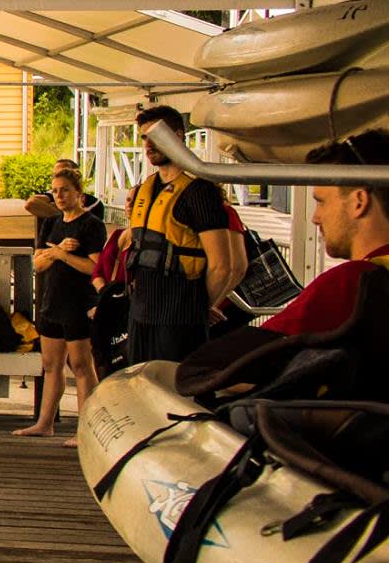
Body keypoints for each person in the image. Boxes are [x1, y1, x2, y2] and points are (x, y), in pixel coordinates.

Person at [224, 131, 389, 563]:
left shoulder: (354, 282)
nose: (314, 216)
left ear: (359, 199)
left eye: (320, 201)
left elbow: (245, 358)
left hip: (363, 516)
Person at [123, 105, 244, 363]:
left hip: (179, 322)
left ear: (177, 136)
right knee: (139, 385)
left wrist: (198, 306)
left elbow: (223, 266)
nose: (148, 145)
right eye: (144, 137)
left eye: (154, 136)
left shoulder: (199, 192)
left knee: (173, 387)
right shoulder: (145, 189)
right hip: (140, 315)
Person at [14, 167, 105, 443]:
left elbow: (94, 267)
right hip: (52, 300)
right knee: (51, 364)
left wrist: (62, 255)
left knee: (81, 365)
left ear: (79, 193)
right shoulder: (52, 223)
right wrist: (56, 252)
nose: (59, 195)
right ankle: (45, 423)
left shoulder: (91, 225)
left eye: (65, 190)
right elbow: (38, 263)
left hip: (79, 303)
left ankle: (85, 430)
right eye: (55, 191)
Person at [24, 157, 101, 247]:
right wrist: (63, 216)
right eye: (55, 175)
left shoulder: (94, 204)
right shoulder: (53, 197)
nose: (58, 177)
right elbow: (31, 203)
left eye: (63, 173)